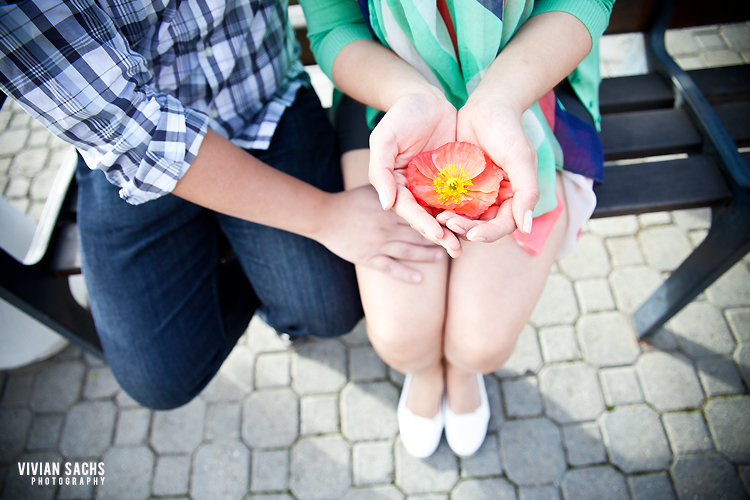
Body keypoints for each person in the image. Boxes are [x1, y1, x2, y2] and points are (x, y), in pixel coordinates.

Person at [0, 0, 442, 410]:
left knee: (330, 308)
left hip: (263, 104)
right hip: (135, 158)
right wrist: (326, 216)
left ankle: (271, 285)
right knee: (160, 379)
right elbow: (133, 132)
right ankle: (260, 263)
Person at [299, 0, 613, 457]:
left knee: (482, 346)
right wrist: (409, 95)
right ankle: (425, 371)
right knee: (400, 340)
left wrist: (502, 97)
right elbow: (334, 28)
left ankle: (463, 371)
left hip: (530, 81)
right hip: (384, 89)